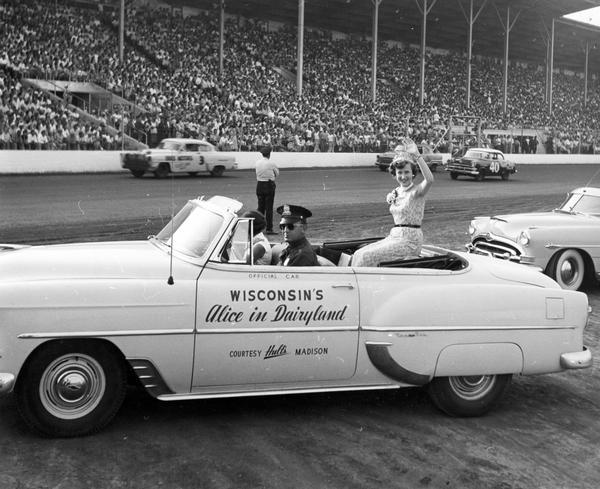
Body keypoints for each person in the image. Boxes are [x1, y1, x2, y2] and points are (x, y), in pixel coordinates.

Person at [352, 138, 434, 267]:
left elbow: (429, 180)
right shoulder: (396, 191)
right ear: (395, 175)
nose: (403, 176)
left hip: (410, 241)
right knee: (358, 253)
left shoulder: (417, 191)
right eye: (399, 173)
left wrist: (417, 155)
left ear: (413, 173)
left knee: (366, 256)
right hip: (395, 236)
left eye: (407, 172)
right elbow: (393, 200)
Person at [255, 145, 279, 235]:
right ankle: (269, 228)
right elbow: (277, 173)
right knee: (269, 208)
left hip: (260, 185)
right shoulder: (271, 163)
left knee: (260, 208)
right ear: (269, 154)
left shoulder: (257, 163)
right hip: (269, 185)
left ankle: (257, 228)